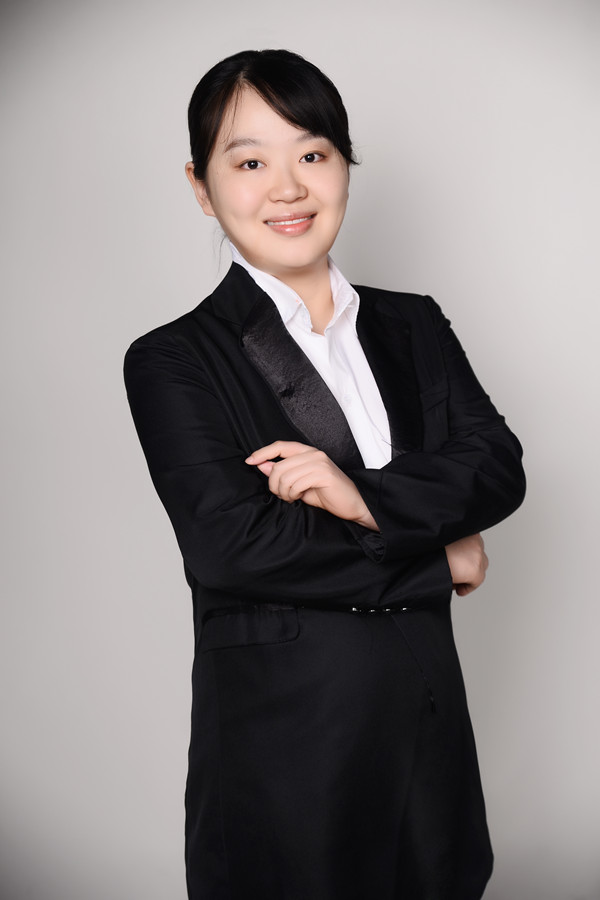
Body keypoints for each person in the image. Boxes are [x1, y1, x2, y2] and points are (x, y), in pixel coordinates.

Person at [124, 49, 525, 900]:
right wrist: (437, 559)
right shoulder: (174, 358)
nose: (288, 187)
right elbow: (236, 547)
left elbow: (495, 467)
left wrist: (360, 496)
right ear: (202, 187)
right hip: (287, 758)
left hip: (430, 742)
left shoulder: (414, 324)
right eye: (249, 163)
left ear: (345, 165)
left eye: (312, 154)